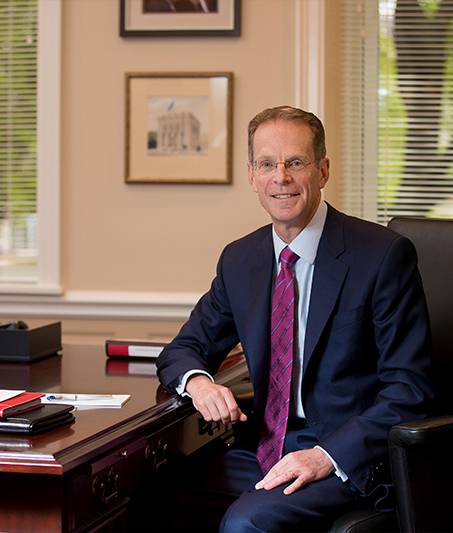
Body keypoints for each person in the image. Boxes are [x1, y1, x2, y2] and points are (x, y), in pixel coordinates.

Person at [155, 106, 434, 532]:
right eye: (267, 164)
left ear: (322, 171)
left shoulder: (381, 256)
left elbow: (410, 390)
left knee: (246, 524)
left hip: (345, 457)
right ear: (252, 176)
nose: (280, 177)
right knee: (153, 502)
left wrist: (325, 456)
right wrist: (199, 382)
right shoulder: (241, 259)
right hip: (264, 447)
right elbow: (182, 349)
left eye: (295, 163)